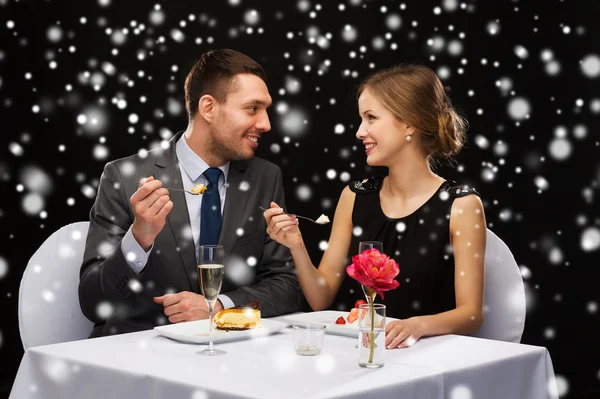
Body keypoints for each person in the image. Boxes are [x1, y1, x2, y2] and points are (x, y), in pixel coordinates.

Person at [79, 49, 303, 337]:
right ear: (208, 108)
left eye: (266, 109)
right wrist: (139, 239)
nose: (266, 123)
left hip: (232, 357)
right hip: (139, 356)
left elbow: (287, 285)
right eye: (252, 108)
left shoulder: (265, 177)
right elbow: (92, 302)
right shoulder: (124, 177)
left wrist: (221, 306)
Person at [264, 64, 486, 349]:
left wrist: (417, 325)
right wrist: (295, 244)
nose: (359, 131)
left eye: (371, 118)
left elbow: (471, 315)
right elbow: (320, 298)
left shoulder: (462, 206)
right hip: (361, 355)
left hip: (429, 357)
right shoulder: (354, 196)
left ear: (410, 123)